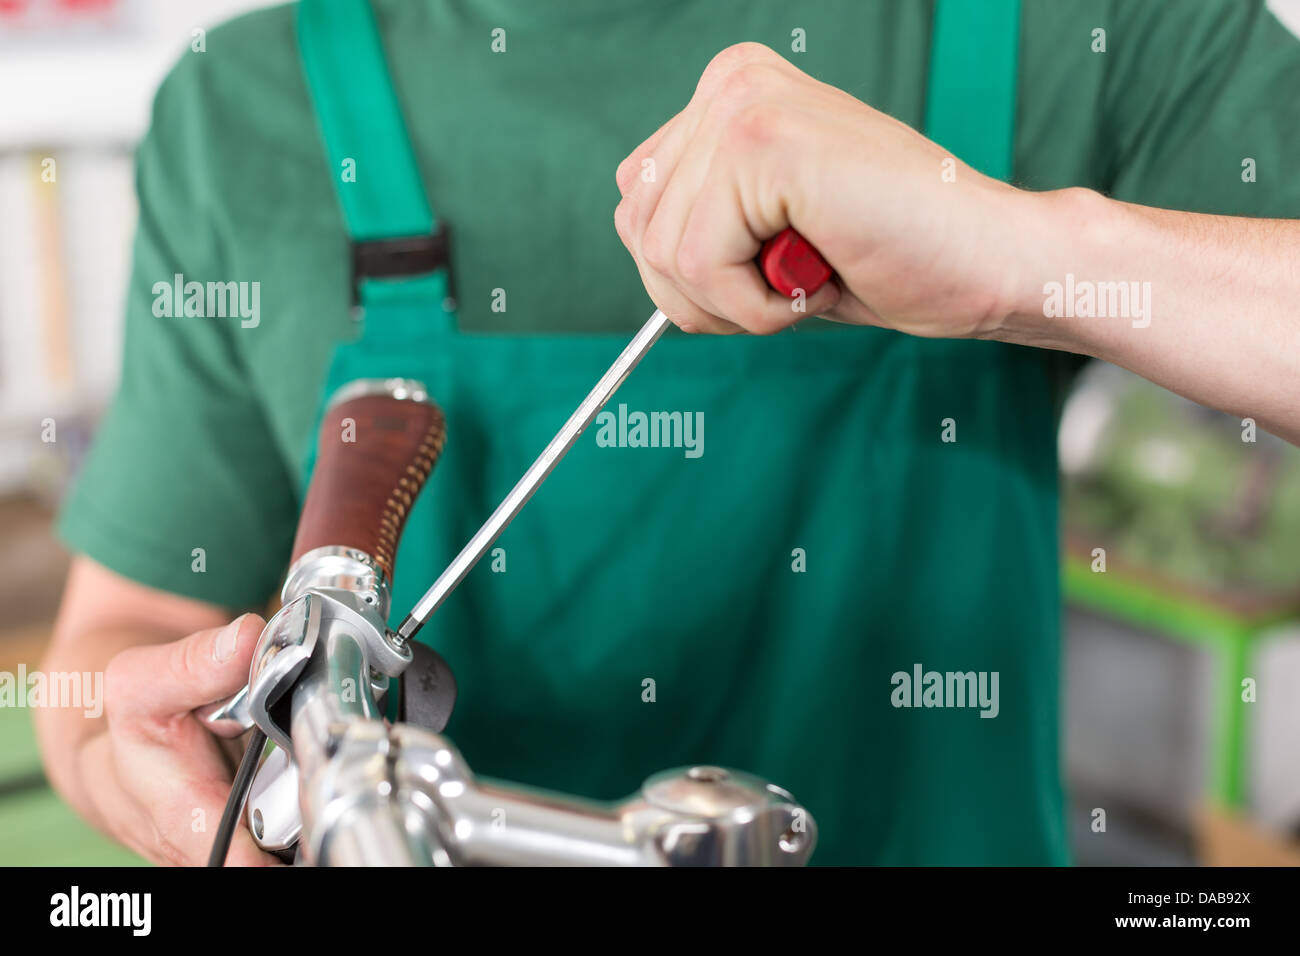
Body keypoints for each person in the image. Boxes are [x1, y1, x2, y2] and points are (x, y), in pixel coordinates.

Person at [34, 0, 1300, 867]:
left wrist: (1020, 252)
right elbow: (114, 640)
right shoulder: (245, 107)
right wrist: (145, 761)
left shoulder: (1079, 28)